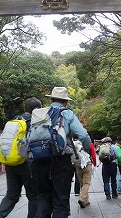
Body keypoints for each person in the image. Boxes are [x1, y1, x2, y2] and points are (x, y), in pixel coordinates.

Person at [34, 87, 91, 218]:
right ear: (65, 102)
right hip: (61, 160)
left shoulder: (41, 113)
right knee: (61, 199)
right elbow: (83, 135)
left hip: (39, 159)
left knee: (43, 197)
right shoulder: (67, 113)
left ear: (51, 99)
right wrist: (86, 149)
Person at [0, 97, 42, 218]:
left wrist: (4, 161)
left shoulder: (14, 121)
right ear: (36, 110)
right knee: (34, 196)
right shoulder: (33, 123)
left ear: (25, 108)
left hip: (11, 163)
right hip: (28, 164)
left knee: (11, 195)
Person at [73, 137, 97, 209]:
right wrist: (95, 164)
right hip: (87, 165)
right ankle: (82, 199)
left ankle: (86, 201)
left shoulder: (75, 144)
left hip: (78, 166)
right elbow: (93, 155)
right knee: (86, 183)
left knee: (82, 184)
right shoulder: (89, 144)